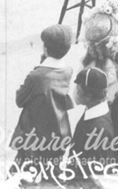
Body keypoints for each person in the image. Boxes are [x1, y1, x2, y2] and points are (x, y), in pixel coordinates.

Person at [12, 25, 74, 174]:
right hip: (59, 132)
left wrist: (39, 66)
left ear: (45, 48)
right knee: (52, 172)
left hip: (35, 137)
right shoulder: (67, 70)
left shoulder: (36, 76)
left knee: (22, 172)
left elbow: (19, 100)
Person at [70, 66, 116, 177]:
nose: (75, 92)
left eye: (78, 89)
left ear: (88, 96)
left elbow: (97, 175)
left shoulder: (98, 130)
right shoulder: (93, 111)